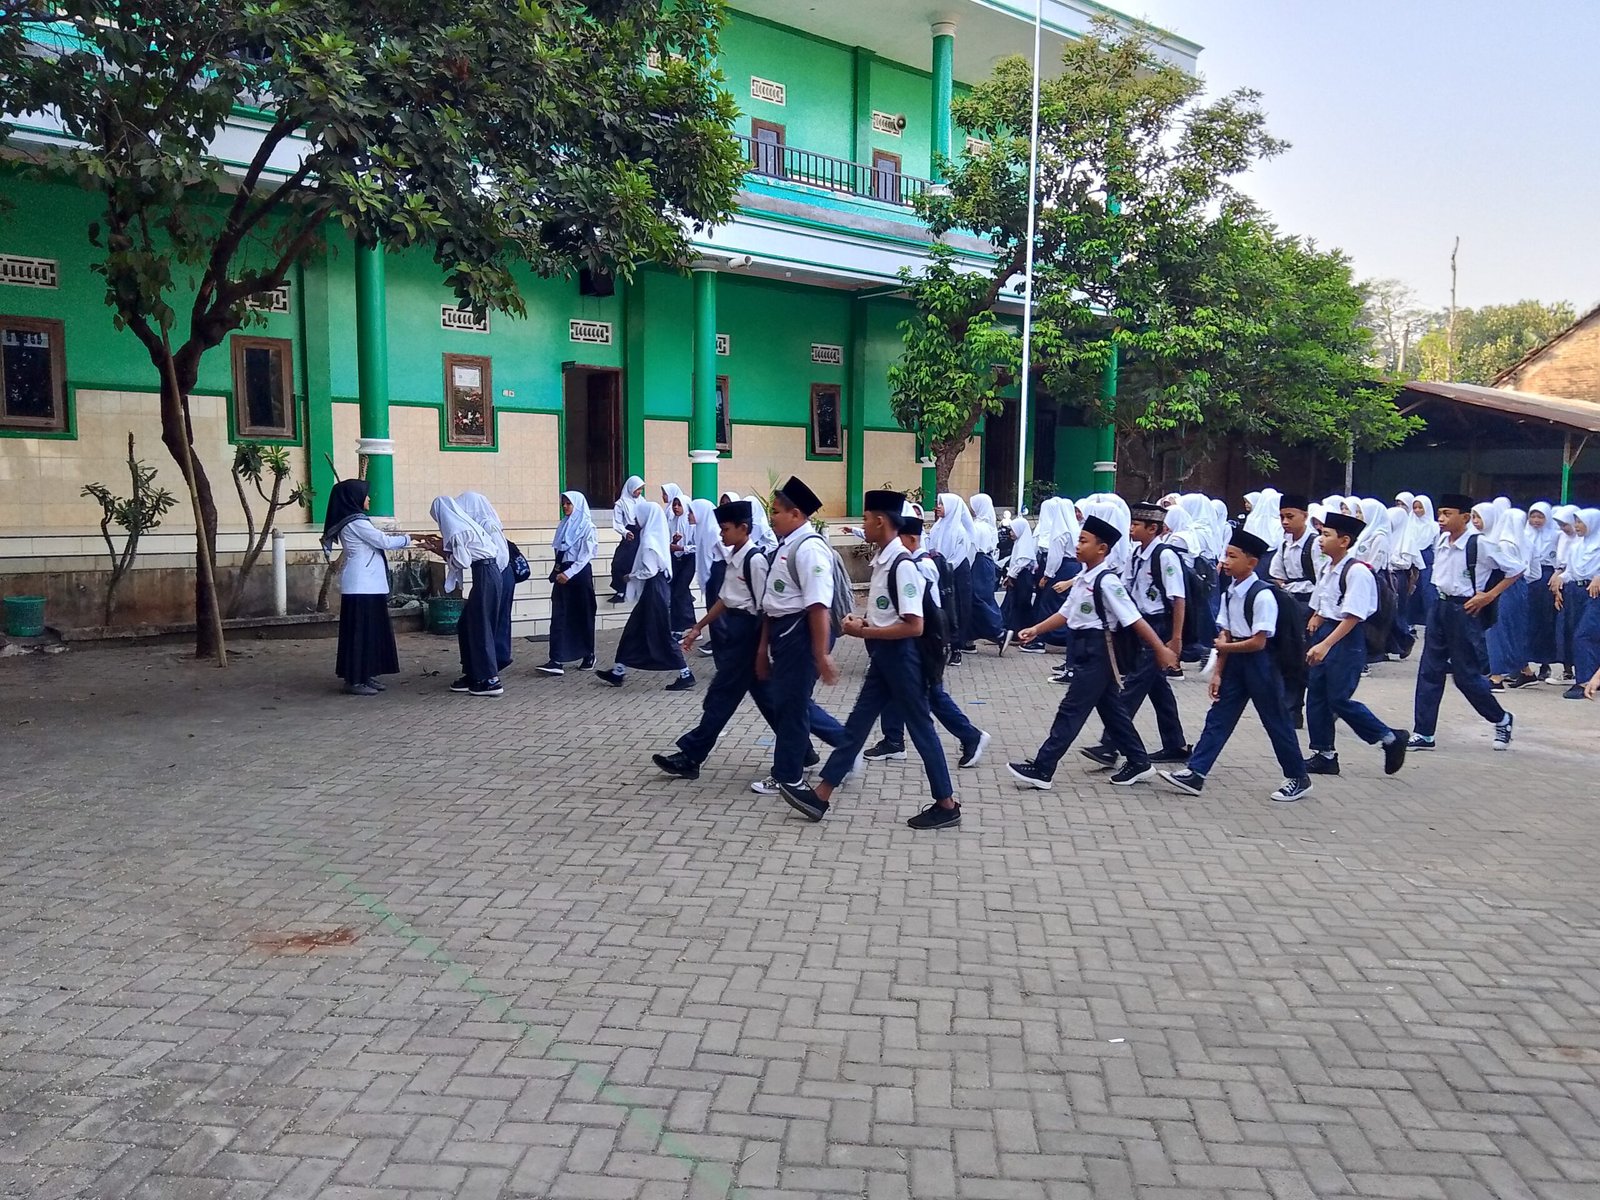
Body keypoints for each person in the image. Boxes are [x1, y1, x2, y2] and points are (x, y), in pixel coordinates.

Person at [778, 492, 962, 830]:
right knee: (856, 726)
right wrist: (864, 623)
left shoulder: (902, 566)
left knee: (921, 729)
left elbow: (914, 625)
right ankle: (821, 795)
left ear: (880, 521)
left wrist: (864, 632)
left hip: (903, 659)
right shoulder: (883, 561)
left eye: (865, 518)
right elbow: (888, 615)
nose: (862, 524)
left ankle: (946, 804)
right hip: (884, 658)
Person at [1006, 516, 1178, 791]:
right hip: (1083, 648)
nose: (1077, 546)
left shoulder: (1107, 582)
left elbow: (1134, 619)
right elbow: (1065, 613)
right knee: (1112, 711)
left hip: (1099, 652)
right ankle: (1139, 761)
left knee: (1071, 710)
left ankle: (1043, 767)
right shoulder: (1084, 578)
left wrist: (1161, 649)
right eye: (1078, 540)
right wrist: (1036, 629)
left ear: (1102, 548)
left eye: (1084, 541)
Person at [1160, 529, 1314, 802]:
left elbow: (1258, 642)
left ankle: (1298, 777)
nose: (1226, 561)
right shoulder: (1230, 593)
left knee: (1276, 720)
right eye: (1226, 555)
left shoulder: (1262, 595)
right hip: (1236, 663)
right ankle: (1196, 771)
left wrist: (1224, 648)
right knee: (1219, 717)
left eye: (1233, 556)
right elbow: (1227, 633)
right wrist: (1218, 673)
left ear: (1252, 563)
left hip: (1261, 664)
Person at [866, 501, 992, 769]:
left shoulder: (921, 565)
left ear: (910, 539)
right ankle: (893, 740)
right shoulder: (910, 562)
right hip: (908, 642)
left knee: (933, 695)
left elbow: (927, 610)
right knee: (893, 688)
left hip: (921, 642)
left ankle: (970, 735)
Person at [1081, 502, 1191, 768]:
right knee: (1157, 687)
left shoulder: (1165, 556)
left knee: (1133, 685)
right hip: (1140, 623)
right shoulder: (1136, 553)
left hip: (1159, 624)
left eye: (1136, 525)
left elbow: (1178, 598)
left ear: (1153, 529)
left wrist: (1176, 638)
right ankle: (1175, 743)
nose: (1131, 529)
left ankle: (1110, 745)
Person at [1301, 511, 1408, 779]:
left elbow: (1353, 615)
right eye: (1321, 534)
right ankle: (1324, 754)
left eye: (1327, 535)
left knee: (1338, 698)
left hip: (1345, 639)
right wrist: (1317, 618)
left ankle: (1389, 737)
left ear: (1344, 541)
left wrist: (1326, 644)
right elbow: (1325, 601)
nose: (1320, 539)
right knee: (1316, 695)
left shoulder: (1357, 571)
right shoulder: (1328, 567)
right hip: (1326, 632)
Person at [1409, 493, 1518, 751]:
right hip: (1440, 606)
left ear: (1465, 517)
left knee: (1465, 676)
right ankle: (1424, 732)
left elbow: (1515, 569)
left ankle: (1501, 719)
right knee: (1429, 671)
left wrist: (1488, 596)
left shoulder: (1479, 543)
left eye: (1448, 514)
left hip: (1465, 610)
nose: (1441, 519)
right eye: (1440, 513)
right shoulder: (1442, 539)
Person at [756, 476, 840, 797]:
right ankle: (845, 748)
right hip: (784, 634)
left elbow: (818, 606)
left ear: (796, 514)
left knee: (791, 707)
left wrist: (821, 654)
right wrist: (763, 647)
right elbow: (772, 601)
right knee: (790, 704)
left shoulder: (809, 549)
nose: (772, 517)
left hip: (800, 636)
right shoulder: (787, 545)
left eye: (776, 511)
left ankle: (788, 777)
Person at [595, 501, 696, 691]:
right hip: (656, 589)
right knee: (633, 631)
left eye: (638, 516)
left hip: (654, 591)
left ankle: (685, 674)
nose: (636, 520)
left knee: (661, 632)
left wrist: (630, 576)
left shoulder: (649, 539)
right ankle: (618, 671)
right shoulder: (657, 535)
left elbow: (649, 570)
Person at [322, 479, 408, 696]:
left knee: (370, 632)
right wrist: (410, 538)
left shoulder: (355, 520)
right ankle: (354, 679)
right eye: (365, 494)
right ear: (354, 497)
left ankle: (365, 673)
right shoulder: (355, 522)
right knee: (359, 634)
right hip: (361, 585)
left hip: (369, 585)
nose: (369, 498)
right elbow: (383, 541)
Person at [424, 494, 506, 697]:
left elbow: (463, 561)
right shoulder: (466, 526)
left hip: (486, 574)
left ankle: (490, 679)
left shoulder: (457, 529)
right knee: (467, 623)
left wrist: (441, 552)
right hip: (487, 574)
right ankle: (473, 673)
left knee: (480, 626)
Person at [1269, 493, 1319, 728]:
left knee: (1306, 659)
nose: (1285, 522)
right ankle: (1291, 710)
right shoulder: (1284, 543)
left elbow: (1323, 580)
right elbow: (1276, 573)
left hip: (1310, 604)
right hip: (1290, 603)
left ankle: (1320, 708)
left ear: (1305, 516)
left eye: (1290, 516)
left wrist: (1316, 612)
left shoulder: (1315, 544)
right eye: (1282, 517)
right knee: (1289, 656)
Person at [537, 490, 597, 675]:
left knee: (583, 614)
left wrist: (569, 573)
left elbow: (586, 554)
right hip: (563, 574)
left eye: (569, 503)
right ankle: (556, 659)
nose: (565, 506)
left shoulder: (588, 527)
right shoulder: (563, 525)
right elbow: (559, 550)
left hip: (578, 574)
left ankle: (588, 653)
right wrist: (559, 570)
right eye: (563, 503)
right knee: (560, 615)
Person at [457, 491, 516, 675]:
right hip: (494, 576)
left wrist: (492, 579)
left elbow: (501, 555)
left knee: (482, 623)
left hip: (497, 575)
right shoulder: (478, 524)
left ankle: (487, 668)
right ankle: (483, 666)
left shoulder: (487, 524)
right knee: (474, 622)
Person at [1475, 504, 1531, 691]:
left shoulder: (1502, 542)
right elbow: (1533, 571)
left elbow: (1506, 569)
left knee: (1496, 629)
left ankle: (1497, 676)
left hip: (1502, 585)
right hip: (1519, 587)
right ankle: (1525, 671)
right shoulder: (1525, 541)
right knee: (1514, 629)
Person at [928, 493, 976, 664]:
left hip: (956, 575)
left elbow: (958, 557)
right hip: (938, 573)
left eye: (942, 504)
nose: (938, 507)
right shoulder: (936, 528)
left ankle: (957, 648)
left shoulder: (960, 532)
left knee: (956, 610)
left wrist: (944, 568)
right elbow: (931, 548)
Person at [1521, 502, 1561, 684]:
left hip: (1546, 576)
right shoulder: (1524, 533)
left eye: (1540, 517)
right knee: (1526, 621)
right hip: (1527, 575)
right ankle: (1523, 664)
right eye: (1533, 516)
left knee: (1544, 620)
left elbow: (1561, 557)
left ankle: (1545, 663)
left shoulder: (1555, 535)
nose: (1536, 520)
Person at [1563, 507, 1600, 699]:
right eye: (1576, 522)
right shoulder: (1577, 546)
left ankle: (1584, 680)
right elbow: (1571, 571)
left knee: (1584, 635)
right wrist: (1559, 578)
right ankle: (1592, 678)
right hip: (1576, 592)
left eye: (1580, 522)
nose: (1577, 526)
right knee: (1578, 633)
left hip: (1595, 593)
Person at [967, 493, 1011, 652]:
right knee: (980, 598)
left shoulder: (978, 527)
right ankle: (969, 638)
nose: (971, 508)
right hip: (987, 563)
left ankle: (999, 632)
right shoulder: (989, 526)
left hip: (978, 562)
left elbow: (972, 549)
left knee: (978, 598)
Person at [661, 483, 696, 636]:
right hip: (676, 559)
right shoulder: (673, 521)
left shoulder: (692, 524)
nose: (676, 507)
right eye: (674, 504)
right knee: (678, 591)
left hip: (689, 559)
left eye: (679, 505)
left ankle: (680, 628)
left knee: (679, 592)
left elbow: (698, 546)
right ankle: (689, 625)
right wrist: (674, 543)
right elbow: (669, 541)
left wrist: (682, 548)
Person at [1001, 515, 1040, 639]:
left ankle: (1024, 631)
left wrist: (1012, 574)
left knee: (1022, 604)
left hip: (1023, 578)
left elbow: (1023, 561)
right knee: (1015, 604)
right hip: (1019, 577)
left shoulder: (1024, 545)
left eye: (1013, 530)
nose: (1011, 533)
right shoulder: (1019, 543)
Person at [608, 475, 644, 604]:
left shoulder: (642, 502)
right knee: (619, 563)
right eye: (637, 489)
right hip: (629, 535)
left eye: (640, 489)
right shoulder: (621, 503)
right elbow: (617, 522)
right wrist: (625, 532)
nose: (639, 492)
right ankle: (621, 590)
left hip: (641, 534)